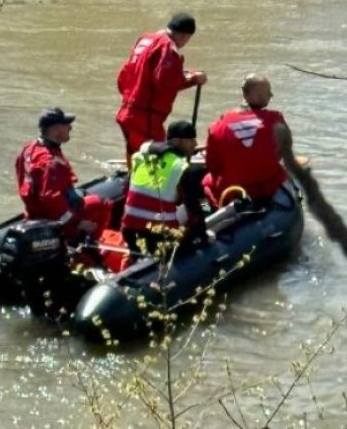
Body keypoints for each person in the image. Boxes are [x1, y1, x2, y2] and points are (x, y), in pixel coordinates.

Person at [116, 13, 208, 168]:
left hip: (127, 111)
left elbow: (123, 77)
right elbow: (165, 82)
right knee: (158, 160)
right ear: (185, 36)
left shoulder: (145, 40)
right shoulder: (168, 48)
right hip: (146, 118)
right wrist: (193, 80)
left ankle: (132, 182)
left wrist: (187, 75)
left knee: (135, 154)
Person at [15, 107, 113, 243]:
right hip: (54, 218)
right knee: (103, 203)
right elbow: (51, 199)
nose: (70, 128)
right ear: (55, 130)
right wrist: (76, 222)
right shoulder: (51, 162)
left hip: (33, 213)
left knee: (82, 195)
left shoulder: (29, 149)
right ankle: (90, 247)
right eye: (67, 125)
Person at [121, 120, 207, 259]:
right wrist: (203, 235)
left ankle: (133, 259)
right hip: (159, 235)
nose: (195, 144)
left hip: (129, 231)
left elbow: (127, 188)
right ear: (177, 142)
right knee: (195, 209)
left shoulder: (141, 157)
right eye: (191, 140)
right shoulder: (181, 167)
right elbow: (194, 206)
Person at [203, 74, 289, 208]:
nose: (271, 95)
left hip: (232, 191)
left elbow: (212, 165)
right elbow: (284, 151)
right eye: (267, 92)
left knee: (206, 180)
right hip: (267, 188)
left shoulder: (218, 126)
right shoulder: (276, 119)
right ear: (256, 94)